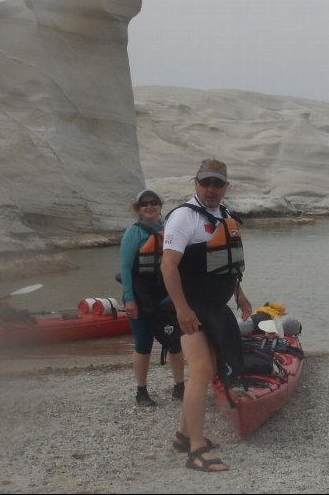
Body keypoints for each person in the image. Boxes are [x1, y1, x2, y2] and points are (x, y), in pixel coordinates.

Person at [161, 158, 251, 472]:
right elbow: (168, 265)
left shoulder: (224, 216)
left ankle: (184, 436)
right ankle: (197, 450)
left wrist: (239, 294)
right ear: (196, 183)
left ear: (226, 186)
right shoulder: (184, 218)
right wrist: (182, 309)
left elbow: (229, 265)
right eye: (206, 183)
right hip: (190, 306)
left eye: (218, 183)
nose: (211, 189)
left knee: (209, 369)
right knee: (200, 371)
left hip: (215, 306)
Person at [118, 189, 186, 407]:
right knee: (143, 343)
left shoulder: (169, 230)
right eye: (144, 204)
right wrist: (129, 299)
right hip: (140, 297)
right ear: (138, 209)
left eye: (153, 202)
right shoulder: (133, 233)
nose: (149, 206)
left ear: (160, 205)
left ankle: (179, 386)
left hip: (165, 297)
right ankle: (141, 391)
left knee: (175, 342)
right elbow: (125, 269)